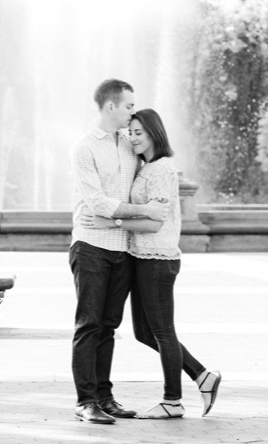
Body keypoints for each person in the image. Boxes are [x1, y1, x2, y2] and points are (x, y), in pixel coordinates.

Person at [87, 109, 221, 419]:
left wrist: (114, 222)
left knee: (162, 331)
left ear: (154, 134)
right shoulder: (146, 167)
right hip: (142, 258)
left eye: (138, 133)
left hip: (157, 259)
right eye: (130, 132)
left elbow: (153, 224)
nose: (132, 138)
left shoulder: (161, 169)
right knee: (145, 333)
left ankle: (172, 401)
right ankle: (202, 376)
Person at [69, 79, 170, 425]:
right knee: (89, 325)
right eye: (128, 106)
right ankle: (85, 402)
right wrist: (144, 213)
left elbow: (147, 182)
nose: (132, 112)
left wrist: (140, 212)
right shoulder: (84, 148)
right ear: (111, 106)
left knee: (109, 326)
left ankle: (104, 396)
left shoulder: (130, 145)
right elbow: (96, 203)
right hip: (91, 246)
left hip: (122, 247)